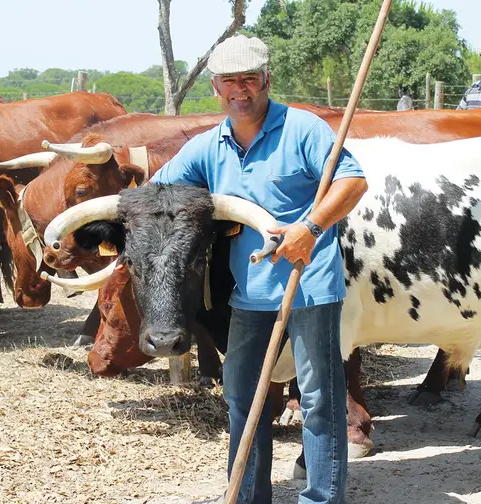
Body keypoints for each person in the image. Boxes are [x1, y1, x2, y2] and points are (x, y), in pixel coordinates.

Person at [151, 34, 368, 504]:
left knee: (318, 401)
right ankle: (249, 496)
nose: (240, 90)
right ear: (215, 88)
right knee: (241, 397)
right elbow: (158, 191)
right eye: (229, 82)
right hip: (249, 295)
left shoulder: (303, 130)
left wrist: (309, 228)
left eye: (249, 79)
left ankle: (321, 499)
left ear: (266, 79)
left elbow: (353, 182)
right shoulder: (210, 146)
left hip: (308, 284)